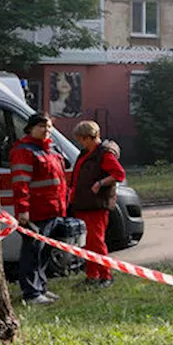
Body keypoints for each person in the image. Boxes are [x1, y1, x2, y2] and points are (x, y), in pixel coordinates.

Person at [10, 112, 70, 304]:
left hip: (53, 209)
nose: (47, 131)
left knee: (44, 253)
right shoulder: (24, 151)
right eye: (42, 127)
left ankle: (41, 287)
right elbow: (21, 184)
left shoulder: (51, 150)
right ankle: (31, 293)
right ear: (30, 128)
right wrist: (23, 210)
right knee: (32, 252)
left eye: (49, 127)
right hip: (36, 212)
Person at [69, 120, 125, 288]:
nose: (80, 142)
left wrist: (100, 183)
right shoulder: (85, 153)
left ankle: (105, 276)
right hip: (83, 203)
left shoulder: (104, 154)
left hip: (96, 205)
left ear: (90, 137)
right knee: (88, 243)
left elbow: (118, 174)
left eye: (81, 139)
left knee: (97, 242)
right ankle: (91, 275)